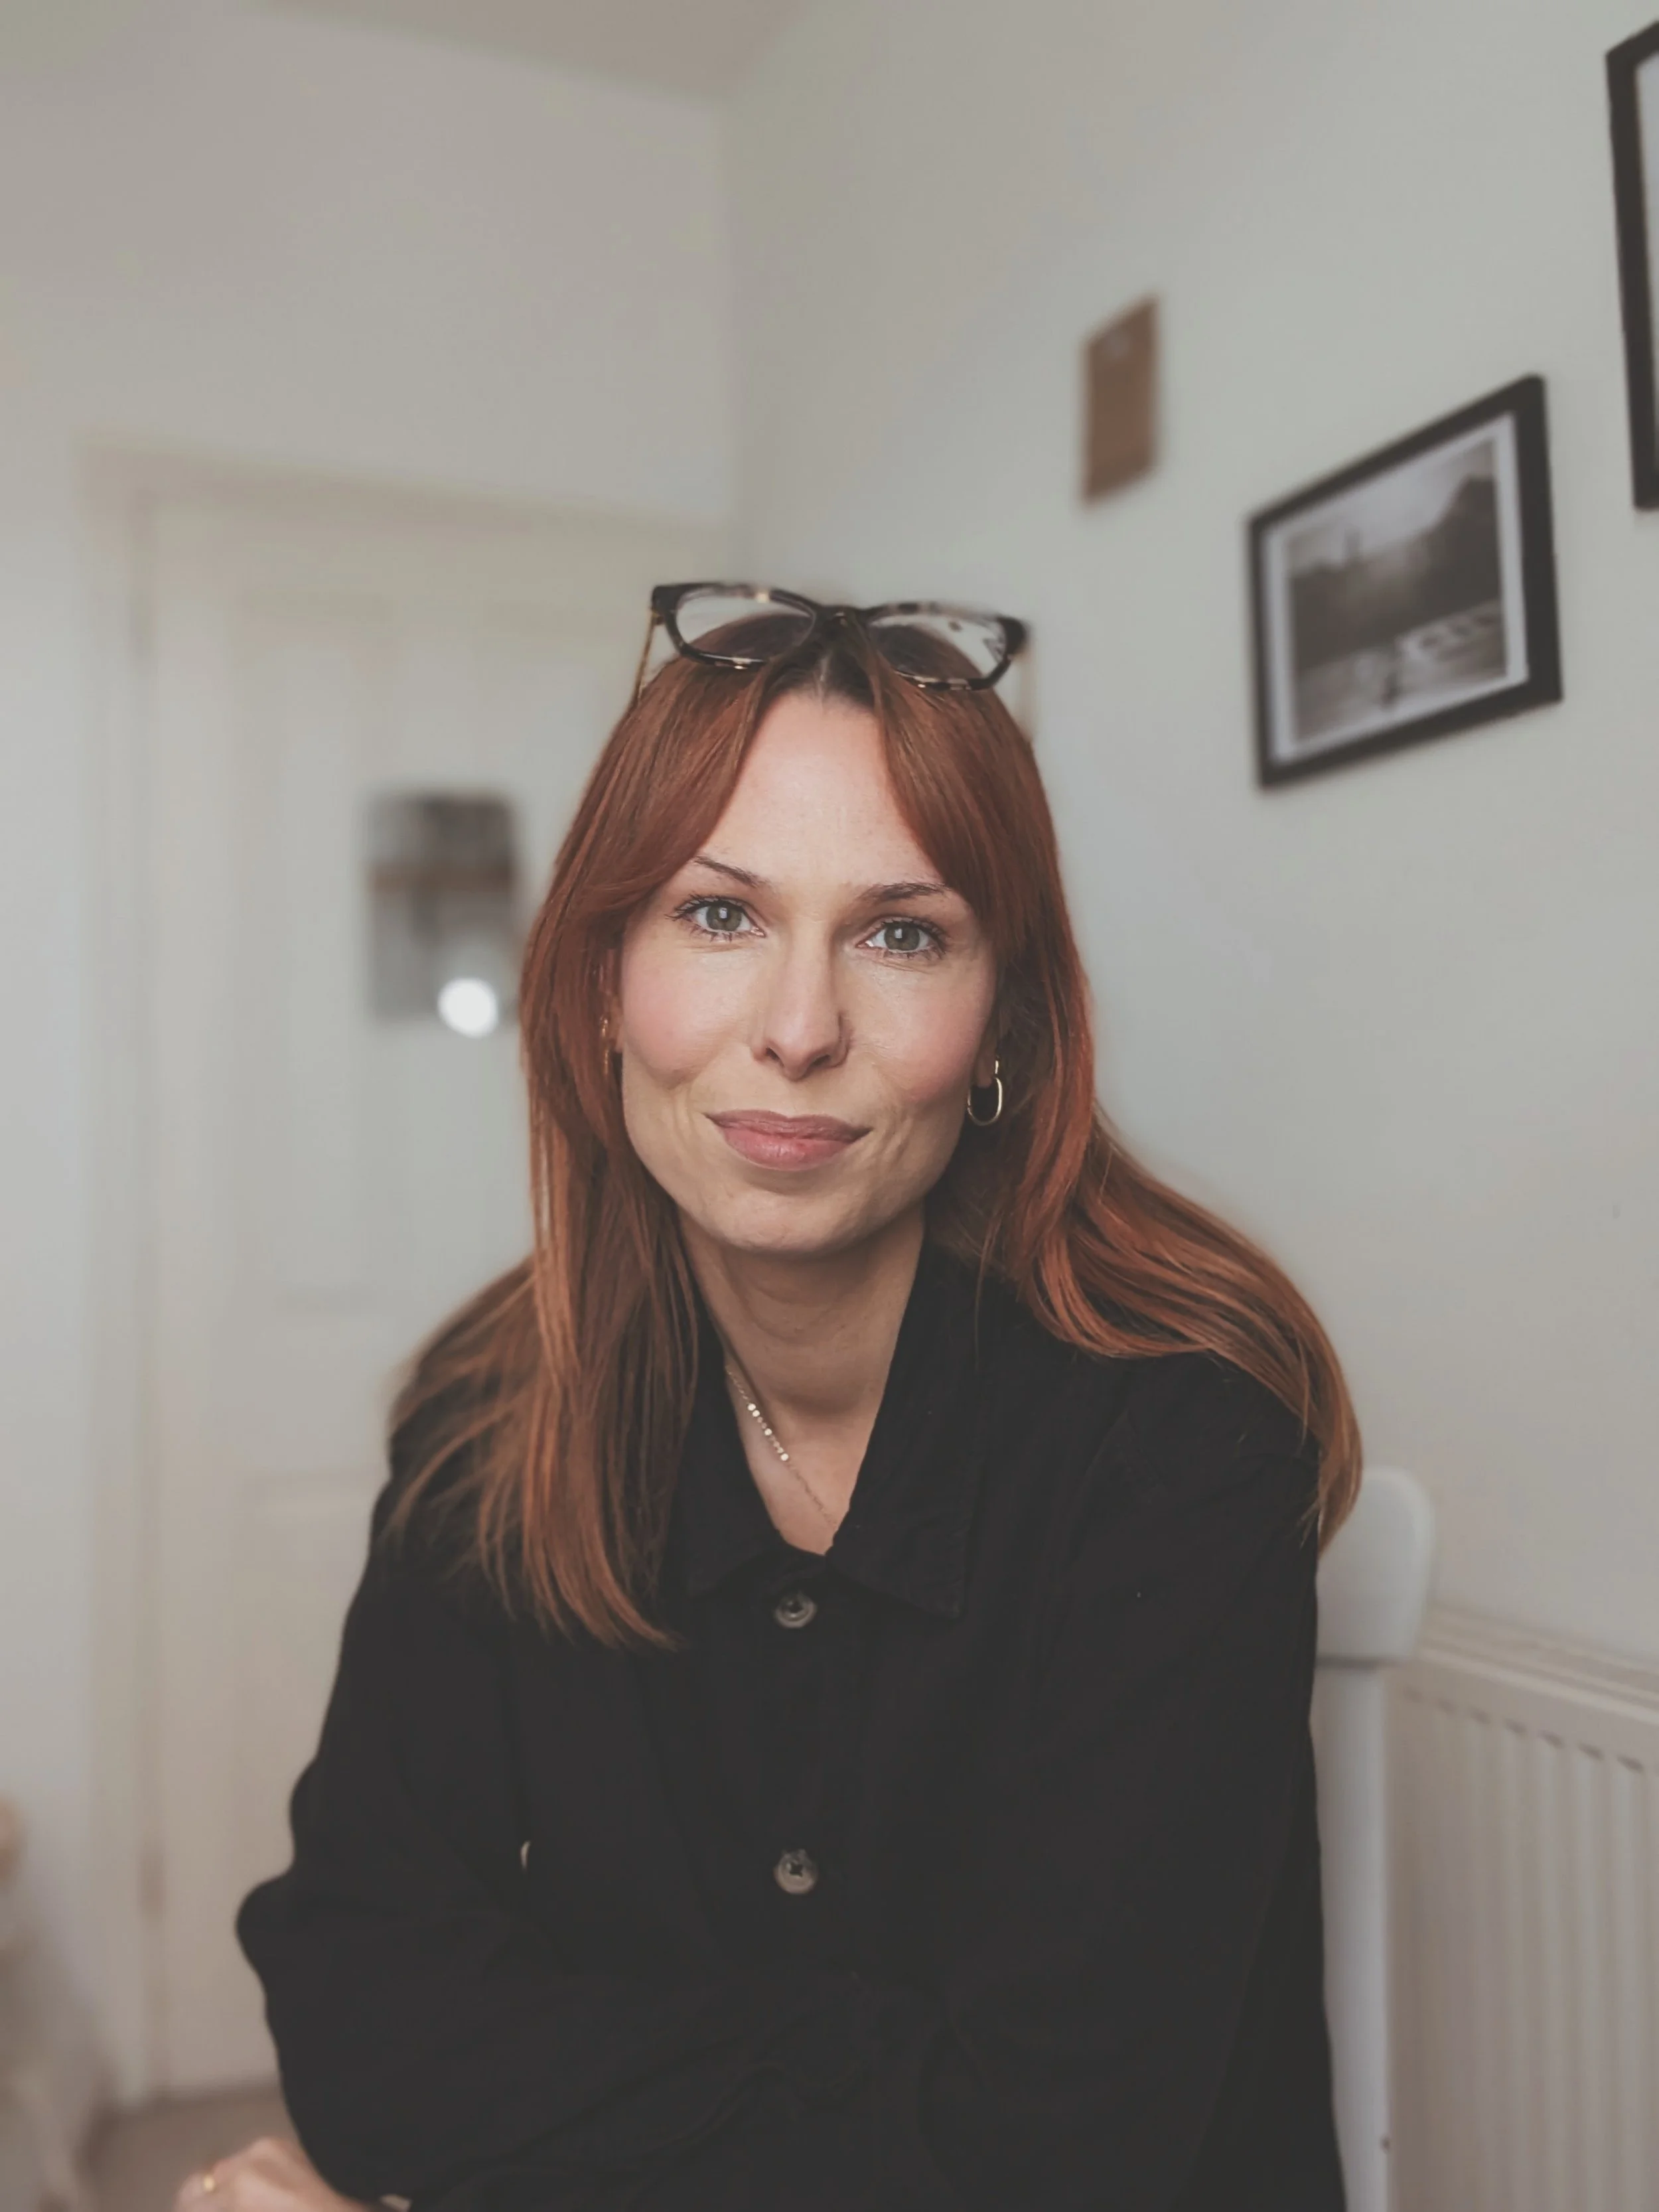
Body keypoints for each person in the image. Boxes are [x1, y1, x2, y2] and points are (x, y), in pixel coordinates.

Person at [180, 585, 1360, 2212]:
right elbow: (357, 1999)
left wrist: (530, 2111)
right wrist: (866, 2063)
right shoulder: (488, 1421)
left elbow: (1052, 2160)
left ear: (1002, 1020)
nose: (798, 1031)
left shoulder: (1177, 1439)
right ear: (600, 982)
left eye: (900, 932)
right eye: (718, 915)